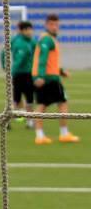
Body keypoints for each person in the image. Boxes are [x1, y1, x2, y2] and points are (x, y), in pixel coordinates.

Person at [32, 14, 80, 145]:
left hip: (49, 76)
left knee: (43, 105)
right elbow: (43, 59)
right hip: (49, 79)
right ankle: (63, 134)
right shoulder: (47, 40)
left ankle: (40, 136)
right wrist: (41, 76)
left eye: (56, 25)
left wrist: (60, 71)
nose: (54, 27)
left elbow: (50, 61)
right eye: (52, 24)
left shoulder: (49, 39)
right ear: (46, 25)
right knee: (61, 103)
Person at [5, 20, 36, 127]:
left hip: (29, 74)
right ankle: (8, 120)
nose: (30, 32)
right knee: (17, 99)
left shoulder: (32, 42)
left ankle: (29, 121)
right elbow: (16, 58)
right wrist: (10, 71)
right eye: (27, 30)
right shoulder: (19, 42)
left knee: (28, 98)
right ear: (22, 31)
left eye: (31, 29)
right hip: (20, 74)